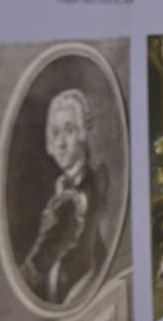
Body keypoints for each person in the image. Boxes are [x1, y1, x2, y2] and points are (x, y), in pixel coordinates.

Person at [20, 89, 107, 305]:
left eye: (69, 130)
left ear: (83, 134)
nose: (60, 144)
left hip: (75, 292)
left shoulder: (74, 199)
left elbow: (41, 262)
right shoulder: (73, 184)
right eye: (55, 132)